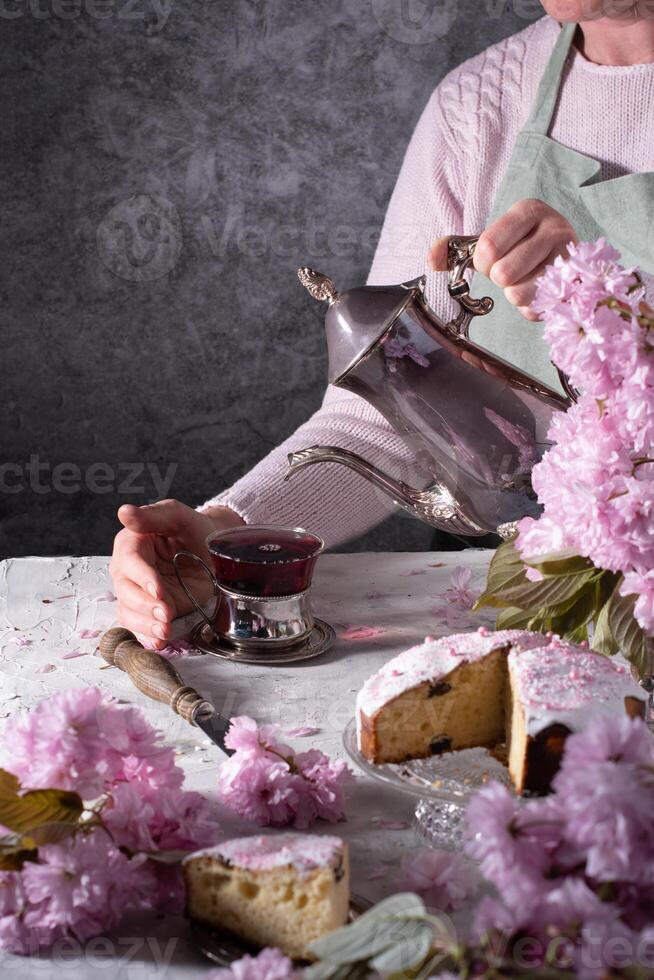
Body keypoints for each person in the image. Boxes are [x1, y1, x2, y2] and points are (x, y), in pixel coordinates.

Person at [110, 2, 654, 649]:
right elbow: (388, 417)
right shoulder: (480, 105)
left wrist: (610, 303)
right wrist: (228, 534)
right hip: (527, 593)